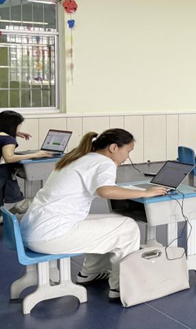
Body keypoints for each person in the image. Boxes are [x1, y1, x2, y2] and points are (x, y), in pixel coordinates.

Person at [20, 129, 168, 300]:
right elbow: (105, 191)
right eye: (128, 151)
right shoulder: (104, 162)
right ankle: (122, 287)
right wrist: (144, 193)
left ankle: (91, 272)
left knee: (115, 223)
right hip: (50, 235)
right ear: (113, 148)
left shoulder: (79, 158)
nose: (127, 157)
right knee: (129, 227)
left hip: (34, 230)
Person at [0, 110, 50, 226]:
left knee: (2, 171)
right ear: (13, 126)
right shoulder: (7, 139)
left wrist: (14, 133)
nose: (20, 127)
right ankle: (18, 202)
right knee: (5, 176)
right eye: (19, 125)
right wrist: (35, 154)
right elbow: (9, 158)